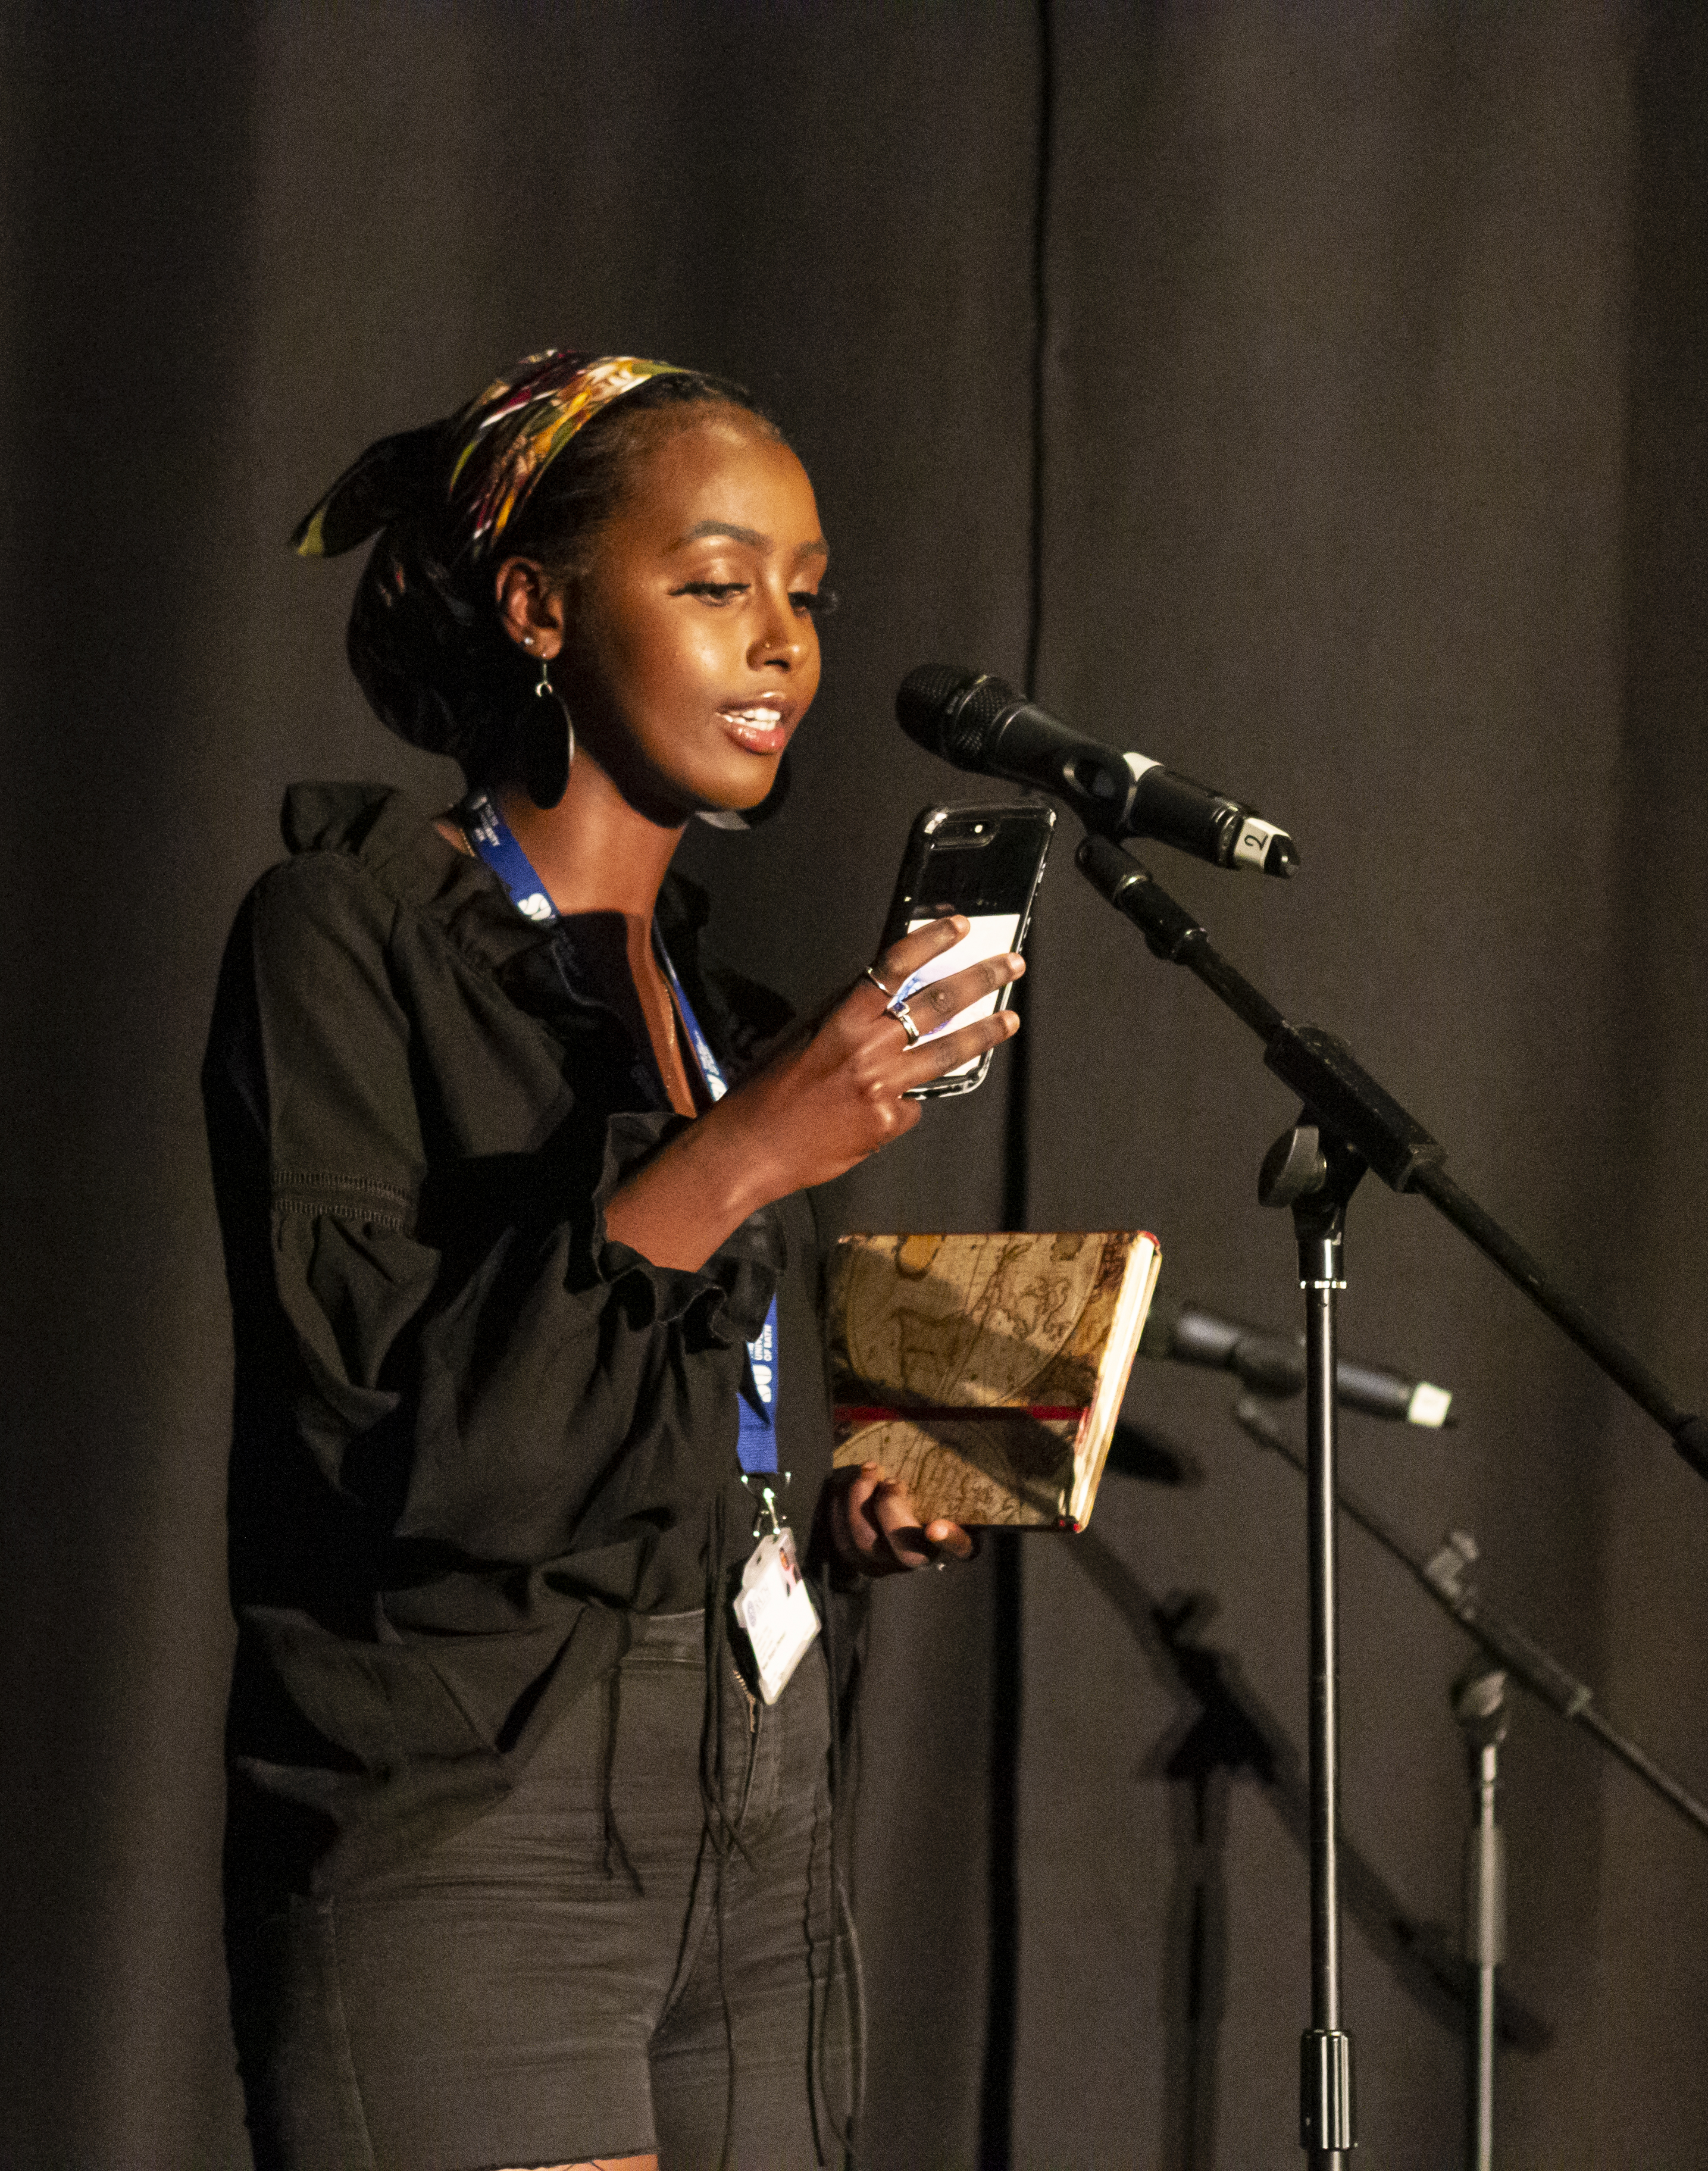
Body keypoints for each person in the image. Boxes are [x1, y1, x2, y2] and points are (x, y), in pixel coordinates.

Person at [205, 351, 1024, 2171]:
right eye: (718, 585)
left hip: (759, 1808)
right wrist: (749, 1151)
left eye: (808, 597)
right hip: (475, 1810)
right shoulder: (345, 934)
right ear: (537, 609)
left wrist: (853, 1496)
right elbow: (395, 1434)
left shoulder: (716, 1011)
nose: (782, 645)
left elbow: (669, 1430)